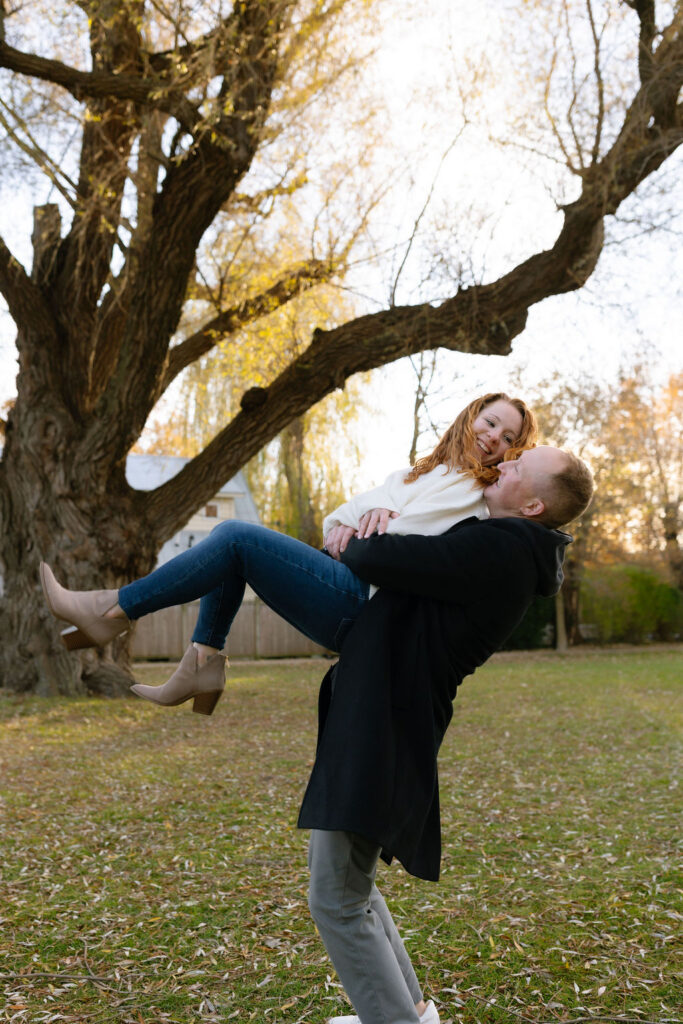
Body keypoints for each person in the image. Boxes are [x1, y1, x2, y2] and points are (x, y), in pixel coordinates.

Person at [299, 445, 594, 1024]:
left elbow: (378, 559)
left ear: (532, 503)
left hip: (383, 722)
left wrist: (356, 528)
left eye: (517, 468)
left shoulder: (502, 548)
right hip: (386, 716)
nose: (503, 463)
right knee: (351, 888)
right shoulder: (511, 548)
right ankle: (408, 1011)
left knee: (335, 897)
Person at [39, 393, 536, 715]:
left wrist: (369, 520)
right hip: (349, 589)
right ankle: (203, 661)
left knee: (235, 536)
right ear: (470, 414)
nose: (493, 437)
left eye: (507, 438)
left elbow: (391, 543)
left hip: (363, 603)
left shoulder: (472, 490)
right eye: (490, 422)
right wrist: (365, 513)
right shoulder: (424, 472)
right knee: (228, 550)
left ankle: (112, 609)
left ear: (509, 452)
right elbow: (339, 520)